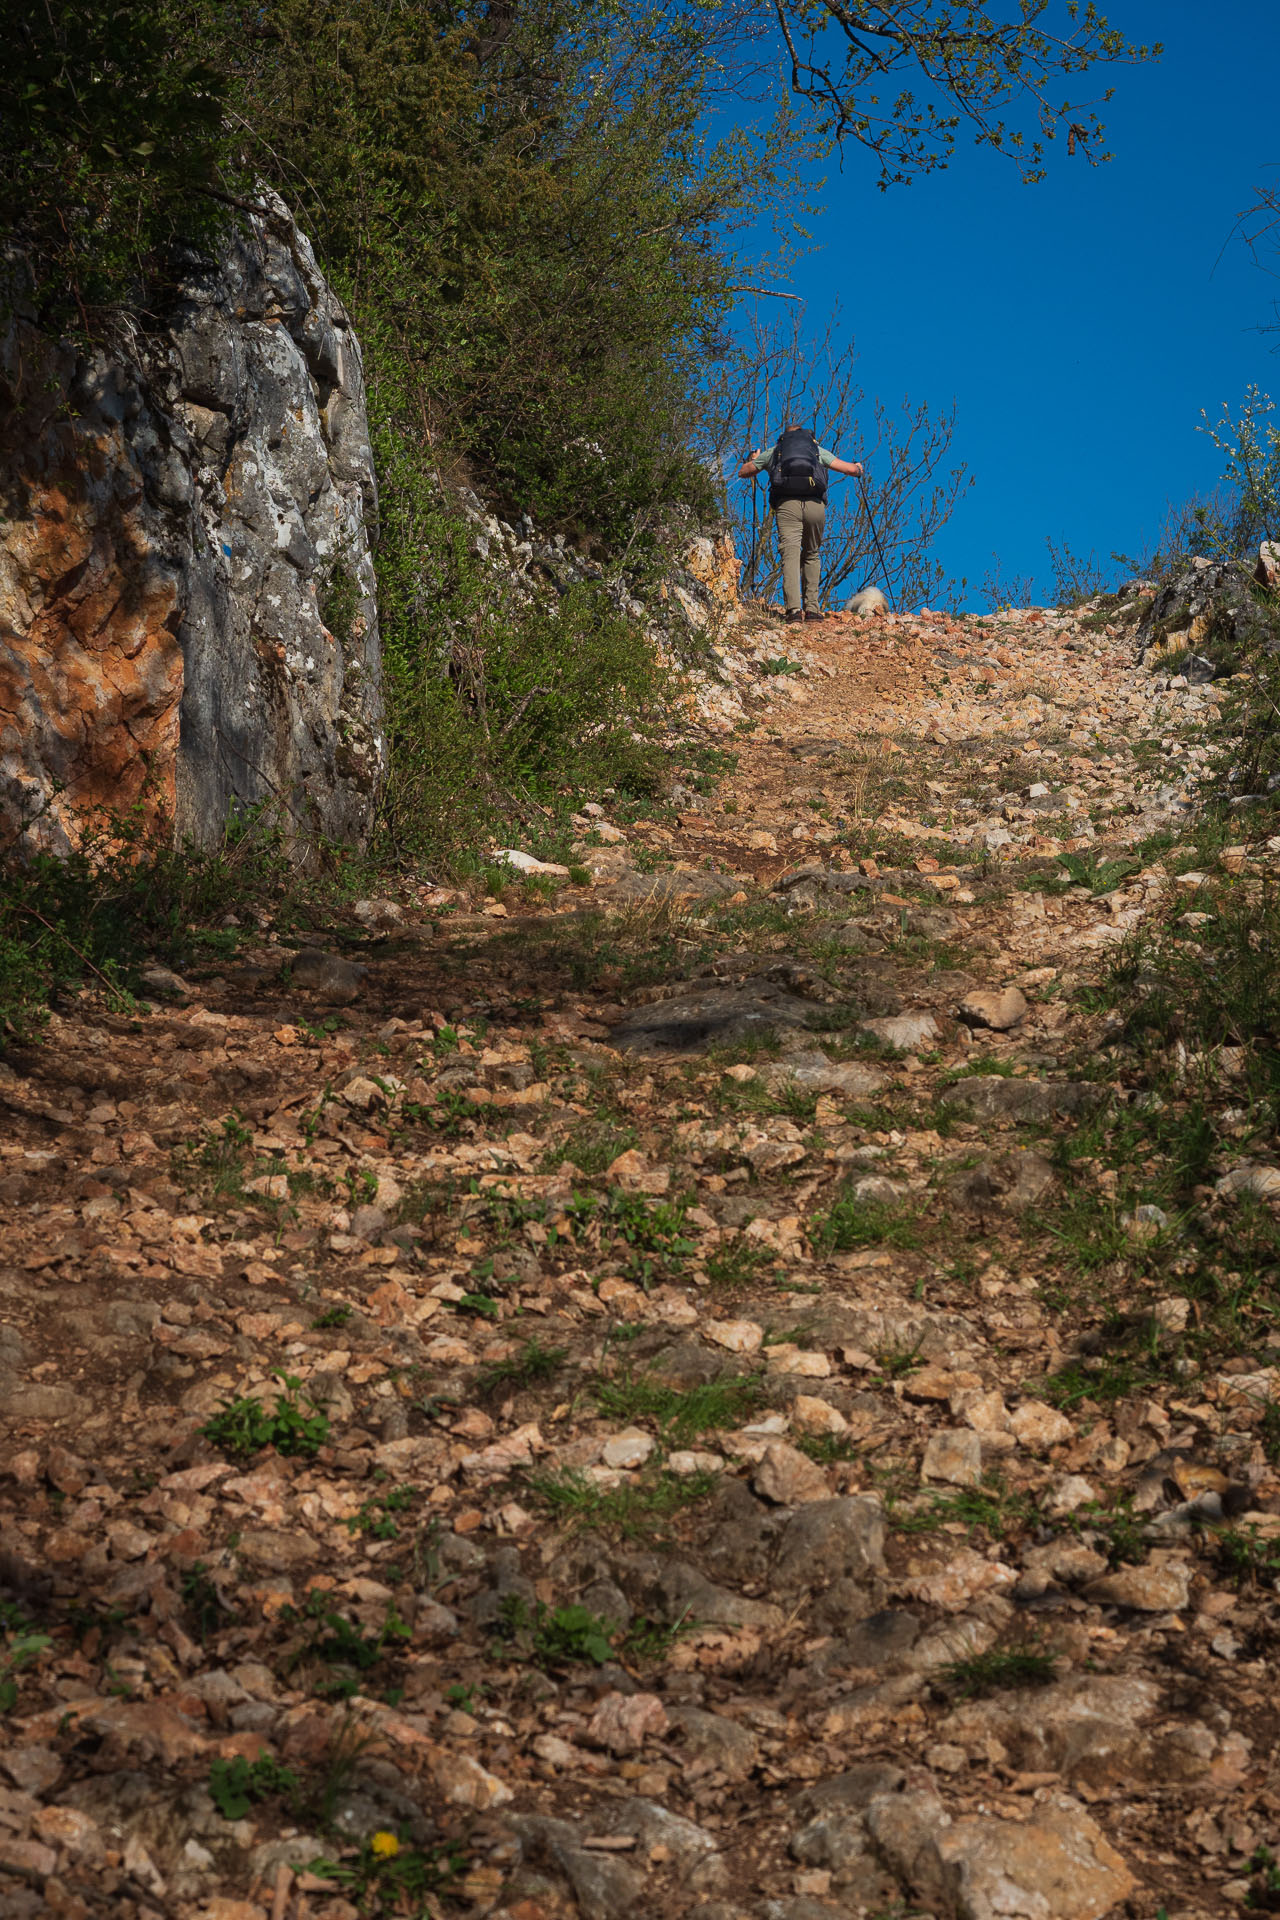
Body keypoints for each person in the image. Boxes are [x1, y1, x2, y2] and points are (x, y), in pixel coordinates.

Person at [738, 425, 863, 623]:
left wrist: (753, 459)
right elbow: (849, 469)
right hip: (815, 505)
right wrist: (857, 468)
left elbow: (743, 472)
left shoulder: (775, 452)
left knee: (790, 554)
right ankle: (812, 610)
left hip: (787, 505)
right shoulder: (816, 451)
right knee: (812, 553)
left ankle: (794, 610)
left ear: (784, 437)